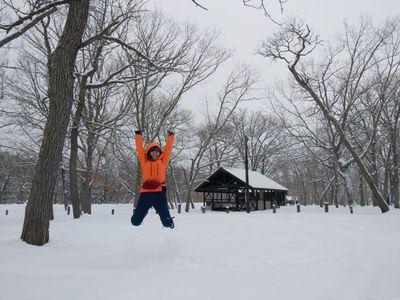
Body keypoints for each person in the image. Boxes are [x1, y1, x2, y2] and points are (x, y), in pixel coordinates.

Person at [131, 130, 175, 228]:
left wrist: (171, 136)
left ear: (159, 153)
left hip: (159, 194)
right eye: (153, 152)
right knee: (135, 222)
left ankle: (170, 228)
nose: (155, 153)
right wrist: (138, 135)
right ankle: (144, 212)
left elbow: (168, 149)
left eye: (157, 152)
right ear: (149, 153)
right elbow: (139, 149)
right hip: (145, 194)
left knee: (168, 223)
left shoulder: (163, 161)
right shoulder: (144, 161)